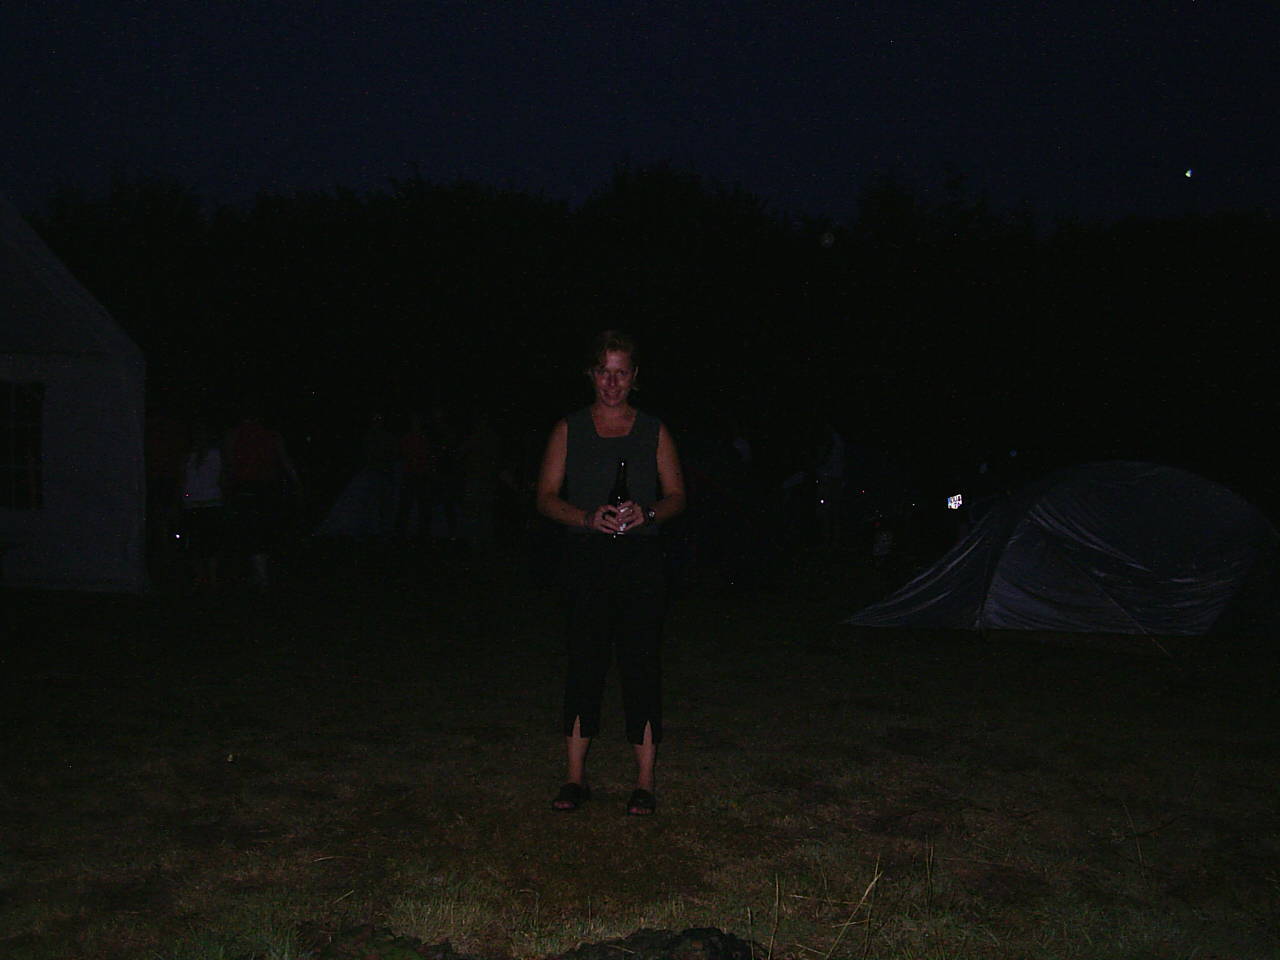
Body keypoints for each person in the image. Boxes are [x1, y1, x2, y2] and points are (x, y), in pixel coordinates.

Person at [536, 330, 686, 816]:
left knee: (641, 665)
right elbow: (545, 497)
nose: (612, 382)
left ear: (634, 376)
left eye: (621, 372)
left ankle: (644, 782)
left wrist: (649, 513)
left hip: (640, 561)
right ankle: (574, 777)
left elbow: (677, 496)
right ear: (591, 374)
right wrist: (584, 517)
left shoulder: (654, 430)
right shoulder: (569, 429)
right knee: (585, 663)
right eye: (605, 371)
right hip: (586, 560)